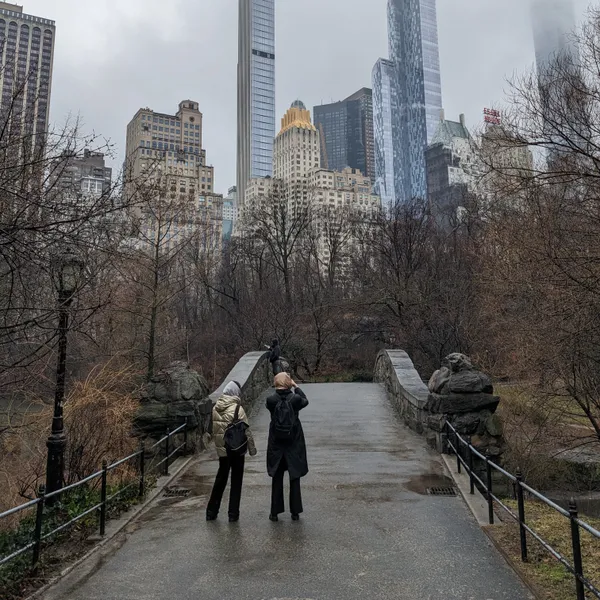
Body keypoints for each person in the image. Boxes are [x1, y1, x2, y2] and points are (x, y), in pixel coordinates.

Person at [206, 381, 257, 522]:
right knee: (236, 480)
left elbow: (213, 429)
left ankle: (211, 511)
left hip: (222, 450)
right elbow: (247, 431)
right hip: (236, 449)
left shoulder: (216, 407)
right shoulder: (237, 409)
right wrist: (252, 450)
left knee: (220, 479)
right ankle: (233, 514)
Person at [266, 373, 309, 521]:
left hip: (277, 443)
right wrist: (296, 386)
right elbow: (305, 401)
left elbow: (270, 405)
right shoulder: (295, 399)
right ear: (288, 382)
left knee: (277, 476)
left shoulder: (271, 400)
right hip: (293, 442)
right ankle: (295, 512)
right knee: (294, 476)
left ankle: (274, 512)